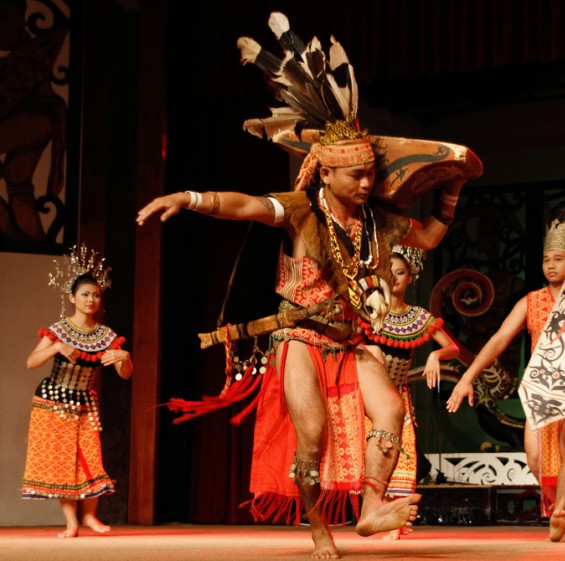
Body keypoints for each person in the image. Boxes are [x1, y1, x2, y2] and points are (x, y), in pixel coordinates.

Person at [136, 15, 477, 557]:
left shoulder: (377, 219)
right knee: (312, 438)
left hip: (350, 341)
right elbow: (245, 205)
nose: (366, 183)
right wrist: (191, 197)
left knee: (390, 411)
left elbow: (430, 238)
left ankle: (368, 509)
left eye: (370, 173)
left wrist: (452, 190)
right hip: (300, 339)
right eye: (355, 175)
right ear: (325, 172)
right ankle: (319, 530)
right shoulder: (301, 210)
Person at [445, 201, 565, 543]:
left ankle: (561, 514)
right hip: (541, 388)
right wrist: (467, 377)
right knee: (536, 459)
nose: (551, 265)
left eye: (558, 259)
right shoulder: (531, 301)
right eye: (547, 259)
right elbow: (498, 341)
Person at [21, 245, 133, 538]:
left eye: (96, 294)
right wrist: (56, 347)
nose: (91, 299)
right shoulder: (58, 330)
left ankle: (90, 516)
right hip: (54, 401)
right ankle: (72, 522)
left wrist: (125, 358)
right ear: (72, 298)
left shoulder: (106, 335)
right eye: (85, 294)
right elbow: (31, 362)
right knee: (63, 461)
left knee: (92, 457)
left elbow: (125, 374)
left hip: (85, 402)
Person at [362, 245, 459, 539]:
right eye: (388, 273)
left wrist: (434, 356)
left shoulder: (418, 317)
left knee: (401, 454)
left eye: (400, 272)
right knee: (372, 452)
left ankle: (397, 518)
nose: (394, 278)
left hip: (398, 396)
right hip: (368, 396)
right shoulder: (369, 310)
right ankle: (374, 512)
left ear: (411, 277)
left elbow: (452, 347)